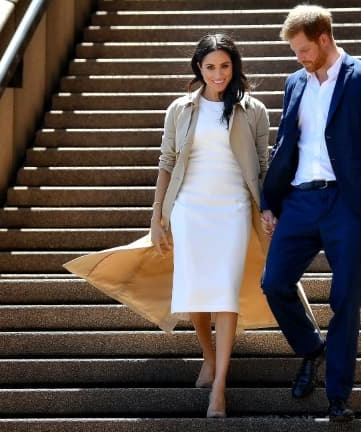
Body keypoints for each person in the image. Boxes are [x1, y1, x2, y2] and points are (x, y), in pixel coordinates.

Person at [64, 33, 298, 419]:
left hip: (235, 208)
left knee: (224, 293)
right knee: (197, 293)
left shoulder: (253, 109)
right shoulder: (181, 108)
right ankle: (208, 356)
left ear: (235, 66)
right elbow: (167, 161)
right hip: (189, 209)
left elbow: (262, 164)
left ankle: (219, 387)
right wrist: (157, 216)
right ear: (198, 68)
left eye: (225, 66)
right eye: (210, 67)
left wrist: (269, 207)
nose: (219, 74)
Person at [260, 5, 361, 422]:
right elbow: (285, 144)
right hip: (301, 201)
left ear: (324, 38)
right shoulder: (294, 82)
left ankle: (338, 396)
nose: (299, 58)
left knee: (345, 298)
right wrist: (269, 199)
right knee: (274, 283)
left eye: (304, 49)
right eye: (295, 51)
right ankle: (312, 348)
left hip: (349, 202)